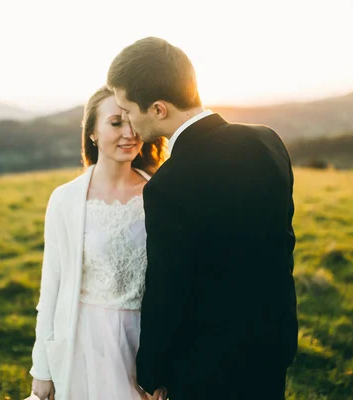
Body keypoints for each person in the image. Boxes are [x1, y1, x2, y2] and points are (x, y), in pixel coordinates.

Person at [107, 37, 298, 400]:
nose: (128, 120)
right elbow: (282, 243)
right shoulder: (267, 142)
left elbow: (169, 289)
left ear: (159, 109)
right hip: (273, 343)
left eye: (128, 109)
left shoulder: (169, 185)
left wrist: (153, 370)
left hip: (207, 365)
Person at [28, 86, 167, 400]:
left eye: (132, 120)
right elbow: (51, 287)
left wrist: (165, 365)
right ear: (92, 132)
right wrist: (42, 370)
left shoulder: (161, 195)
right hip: (83, 343)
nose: (128, 132)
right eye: (116, 122)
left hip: (144, 345)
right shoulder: (65, 200)